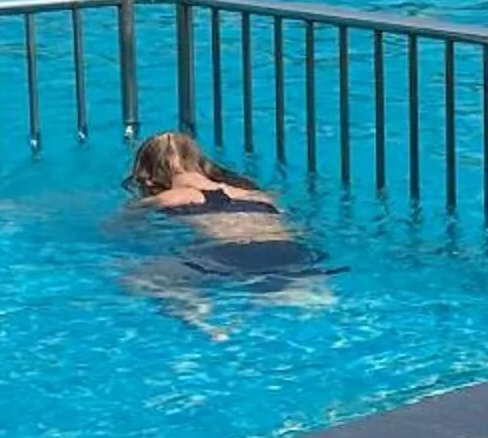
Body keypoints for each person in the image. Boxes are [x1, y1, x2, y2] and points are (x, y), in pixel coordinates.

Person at [121, 131, 332, 329]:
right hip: (294, 253)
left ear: (148, 176)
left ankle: (199, 315)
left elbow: (118, 229)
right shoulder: (259, 196)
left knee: (138, 279)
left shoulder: (170, 197)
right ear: (200, 162)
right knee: (301, 294)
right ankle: (301, 295)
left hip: (236, 255)